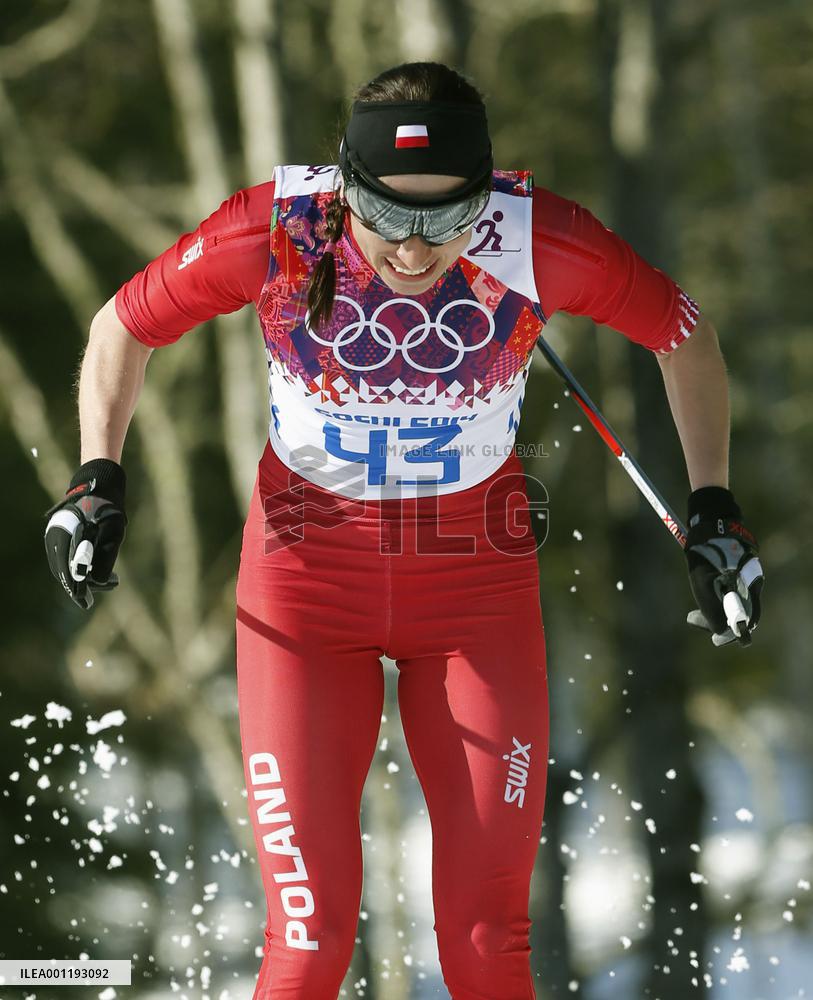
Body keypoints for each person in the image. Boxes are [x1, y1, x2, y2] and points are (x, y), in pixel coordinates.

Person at [43, 62, 763, 999]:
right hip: (303, 585)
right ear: (347, 185)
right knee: (307, 939)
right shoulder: (275, 229)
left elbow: (682, 332)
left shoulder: (540, 239)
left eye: (444, 220)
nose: (413, 251)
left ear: (486, 194)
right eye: (386, 217)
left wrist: (711, 500)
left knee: (484, 940)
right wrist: (97, 475)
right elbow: (120, 326)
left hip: (475, 592)